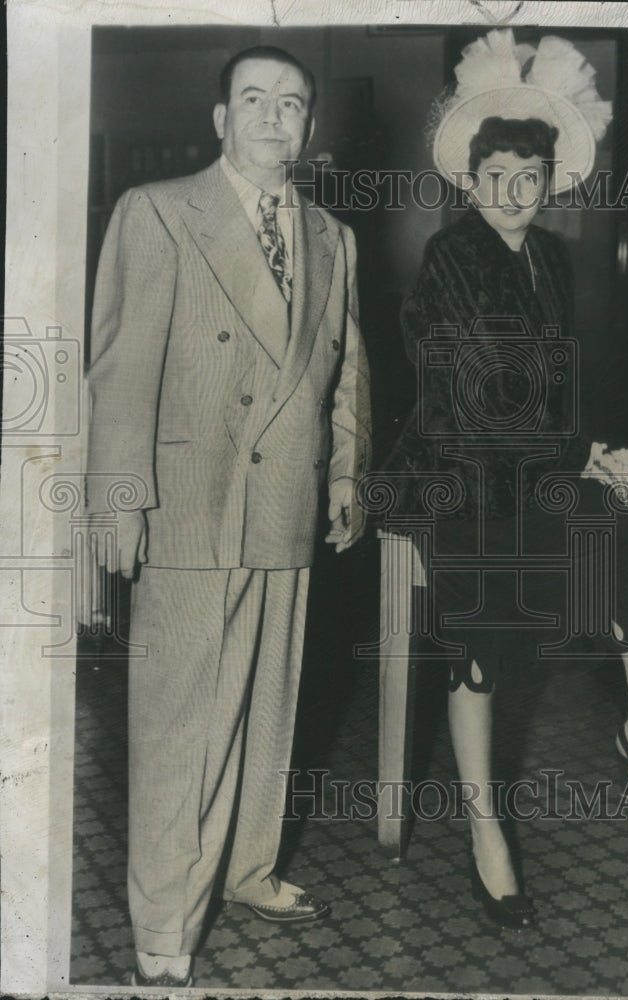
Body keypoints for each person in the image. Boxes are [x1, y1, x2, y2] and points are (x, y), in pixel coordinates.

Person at [384, 30, 628, 929]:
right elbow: (478, 396)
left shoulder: (550, 258)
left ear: (548, 183)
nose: (513, 195)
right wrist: (581, 457)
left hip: (539, 468)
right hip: (460, 474)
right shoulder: (451, 258)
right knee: (480, 648)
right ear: (470, 183)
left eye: (529, 179)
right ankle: (487, 833)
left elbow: (554, 385)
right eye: (496, 180)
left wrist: (595, 448)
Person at [83, 45, 371, 986]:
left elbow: (344, 368)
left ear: (310, 127)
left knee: (269, 706)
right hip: (188, 505)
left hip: (286, 502)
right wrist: (120, 502)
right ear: (220, 120)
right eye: (253, 100)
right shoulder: (159, 212)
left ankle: (244, 869)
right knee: (178, 727)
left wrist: (344, 475)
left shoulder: (332, 235)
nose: (272, 117)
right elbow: (120, 371)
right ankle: (164, 925)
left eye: (292, 104)